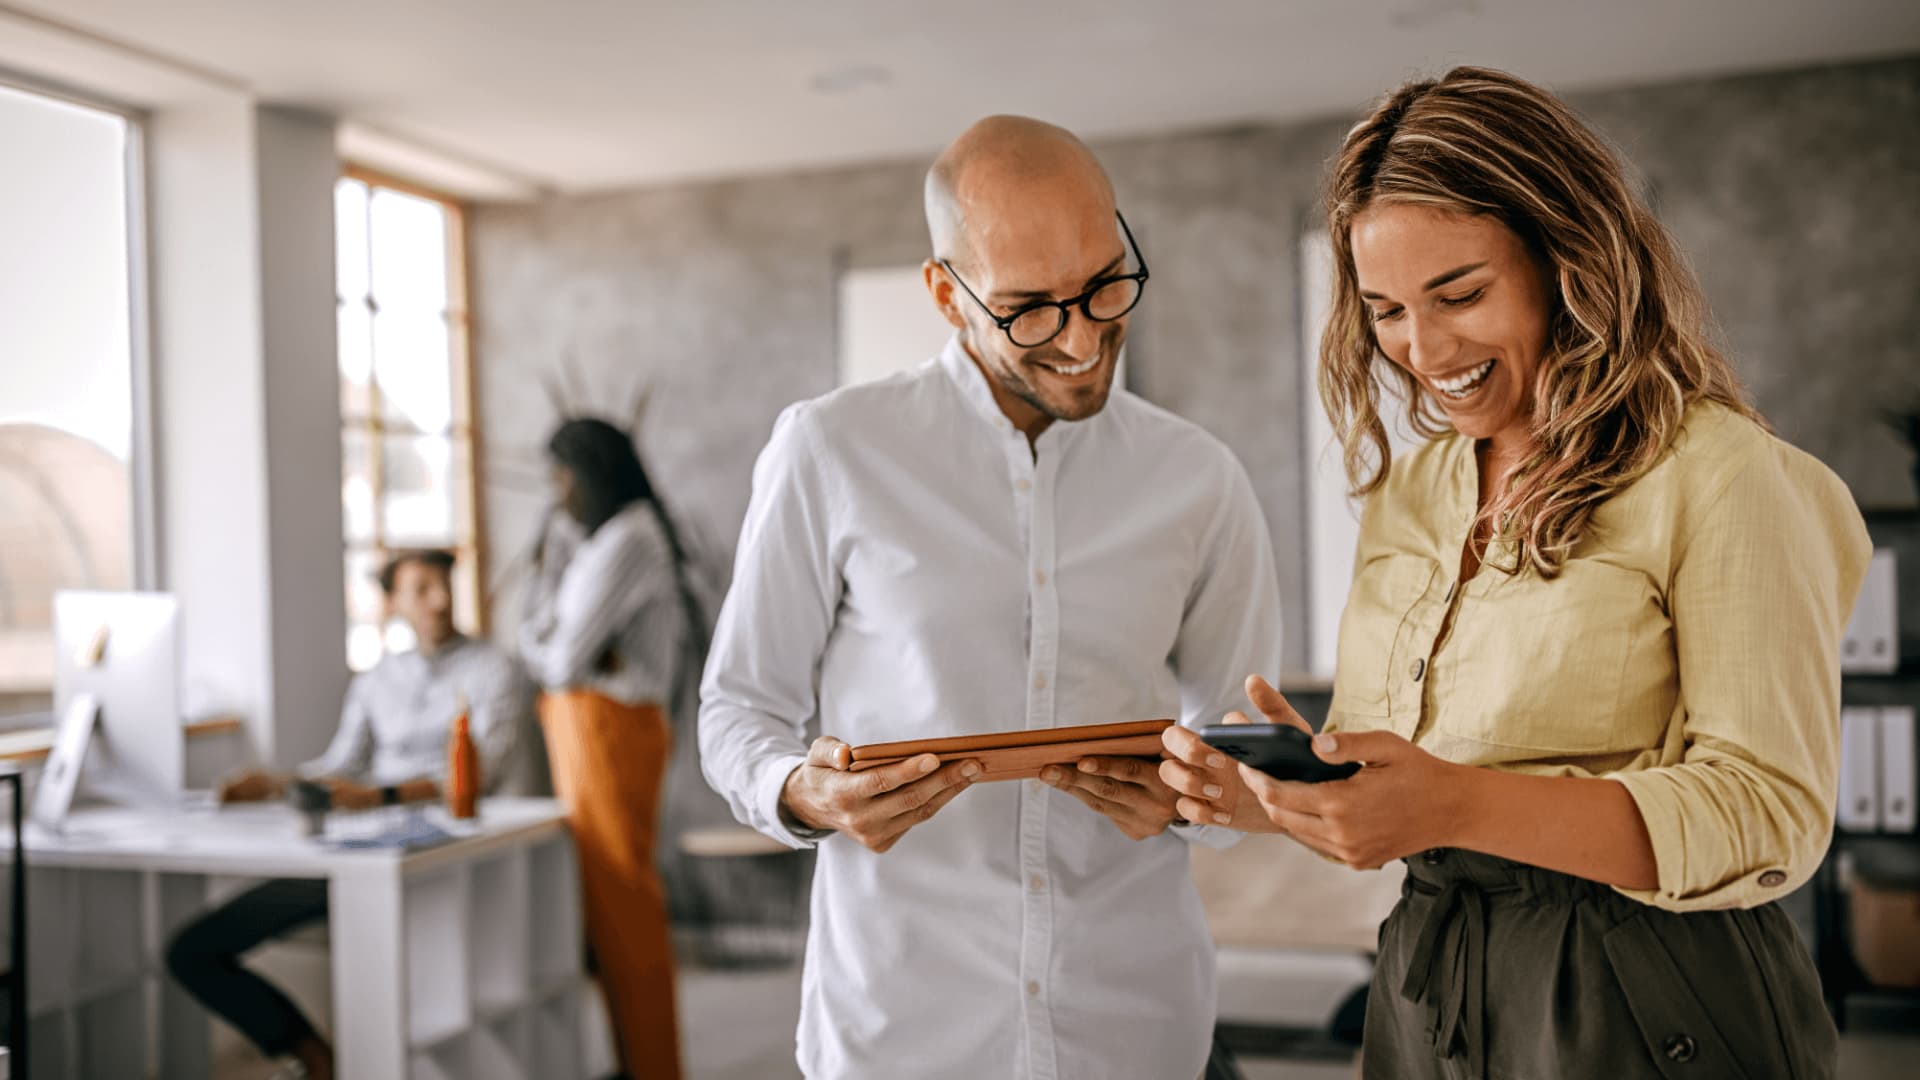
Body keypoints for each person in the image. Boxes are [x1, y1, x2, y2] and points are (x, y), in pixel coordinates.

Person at [1160, 67, 1871, 1079]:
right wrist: (1264, 796)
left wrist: (1456, 805)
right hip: (1429, 991)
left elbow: (1768, 815)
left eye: (1460, 294)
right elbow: (1401, 793)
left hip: (1651, 994)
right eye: (1387, 310)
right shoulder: (1412, 496)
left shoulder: (1724, 477)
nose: (1421, 347)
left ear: (1566, 258)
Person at [698, 115, 1284, 1080]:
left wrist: (1191, 799)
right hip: (903, 1027)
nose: (1084, 335)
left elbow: (1236, 739)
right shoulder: (831, 449)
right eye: (1030, 309)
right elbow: (737, 710)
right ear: (945, 292)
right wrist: (809, 792)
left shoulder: (1201, 479)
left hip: (1138, 1022)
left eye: (1104, 285)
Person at [168, 548, 525, 1080]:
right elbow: (340, 766)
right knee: (193, 951)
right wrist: (274, 784)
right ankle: (313, 1056)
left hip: (438, 853)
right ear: (391, 603)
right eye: (423, 588)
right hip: (360, 853)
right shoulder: (377, 679)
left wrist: (377, 797)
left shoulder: (493, 669)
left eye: (446, 584)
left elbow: (483, 773)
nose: (442, 599)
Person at [519, 416, 704, 1080]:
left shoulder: (629, 538)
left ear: (591, 472)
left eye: (563, 476)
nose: (557, 492)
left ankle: (652, 1068)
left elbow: (557, 656)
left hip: (610, 732)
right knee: (608, 909)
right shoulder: (599, 542)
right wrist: (563, 644)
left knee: (624, 904)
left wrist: (554, 646)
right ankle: (636, 1061)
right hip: (591, 729)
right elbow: (554, 638)